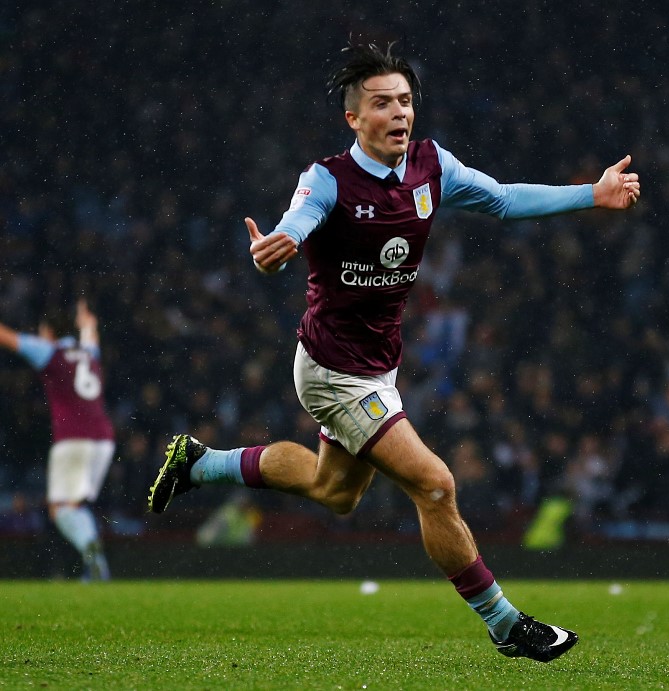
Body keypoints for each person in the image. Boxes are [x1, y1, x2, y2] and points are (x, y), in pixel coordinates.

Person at [147, 41, 640, 662]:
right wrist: (280, 245)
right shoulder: (327, 179)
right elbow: (299, 219)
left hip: (378, 366)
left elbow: (503, 199)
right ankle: (505, 623)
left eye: (405, 101)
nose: (399, 113)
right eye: (382, 103)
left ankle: (202, 464)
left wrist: (592, 194)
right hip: (333, 370)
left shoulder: (432, 166)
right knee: (435, 485)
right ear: (354, 118)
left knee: (334, 491)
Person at [0, 299, 114, 581]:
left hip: (73, 439)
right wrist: (87, 323)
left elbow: (8, 338)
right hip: (104, 438)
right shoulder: (89, 353)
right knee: (75, 505)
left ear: (48, 331)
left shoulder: (49, 351)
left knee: (61, 509)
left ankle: (92, 553)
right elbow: (91, 336)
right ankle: (95, 570)